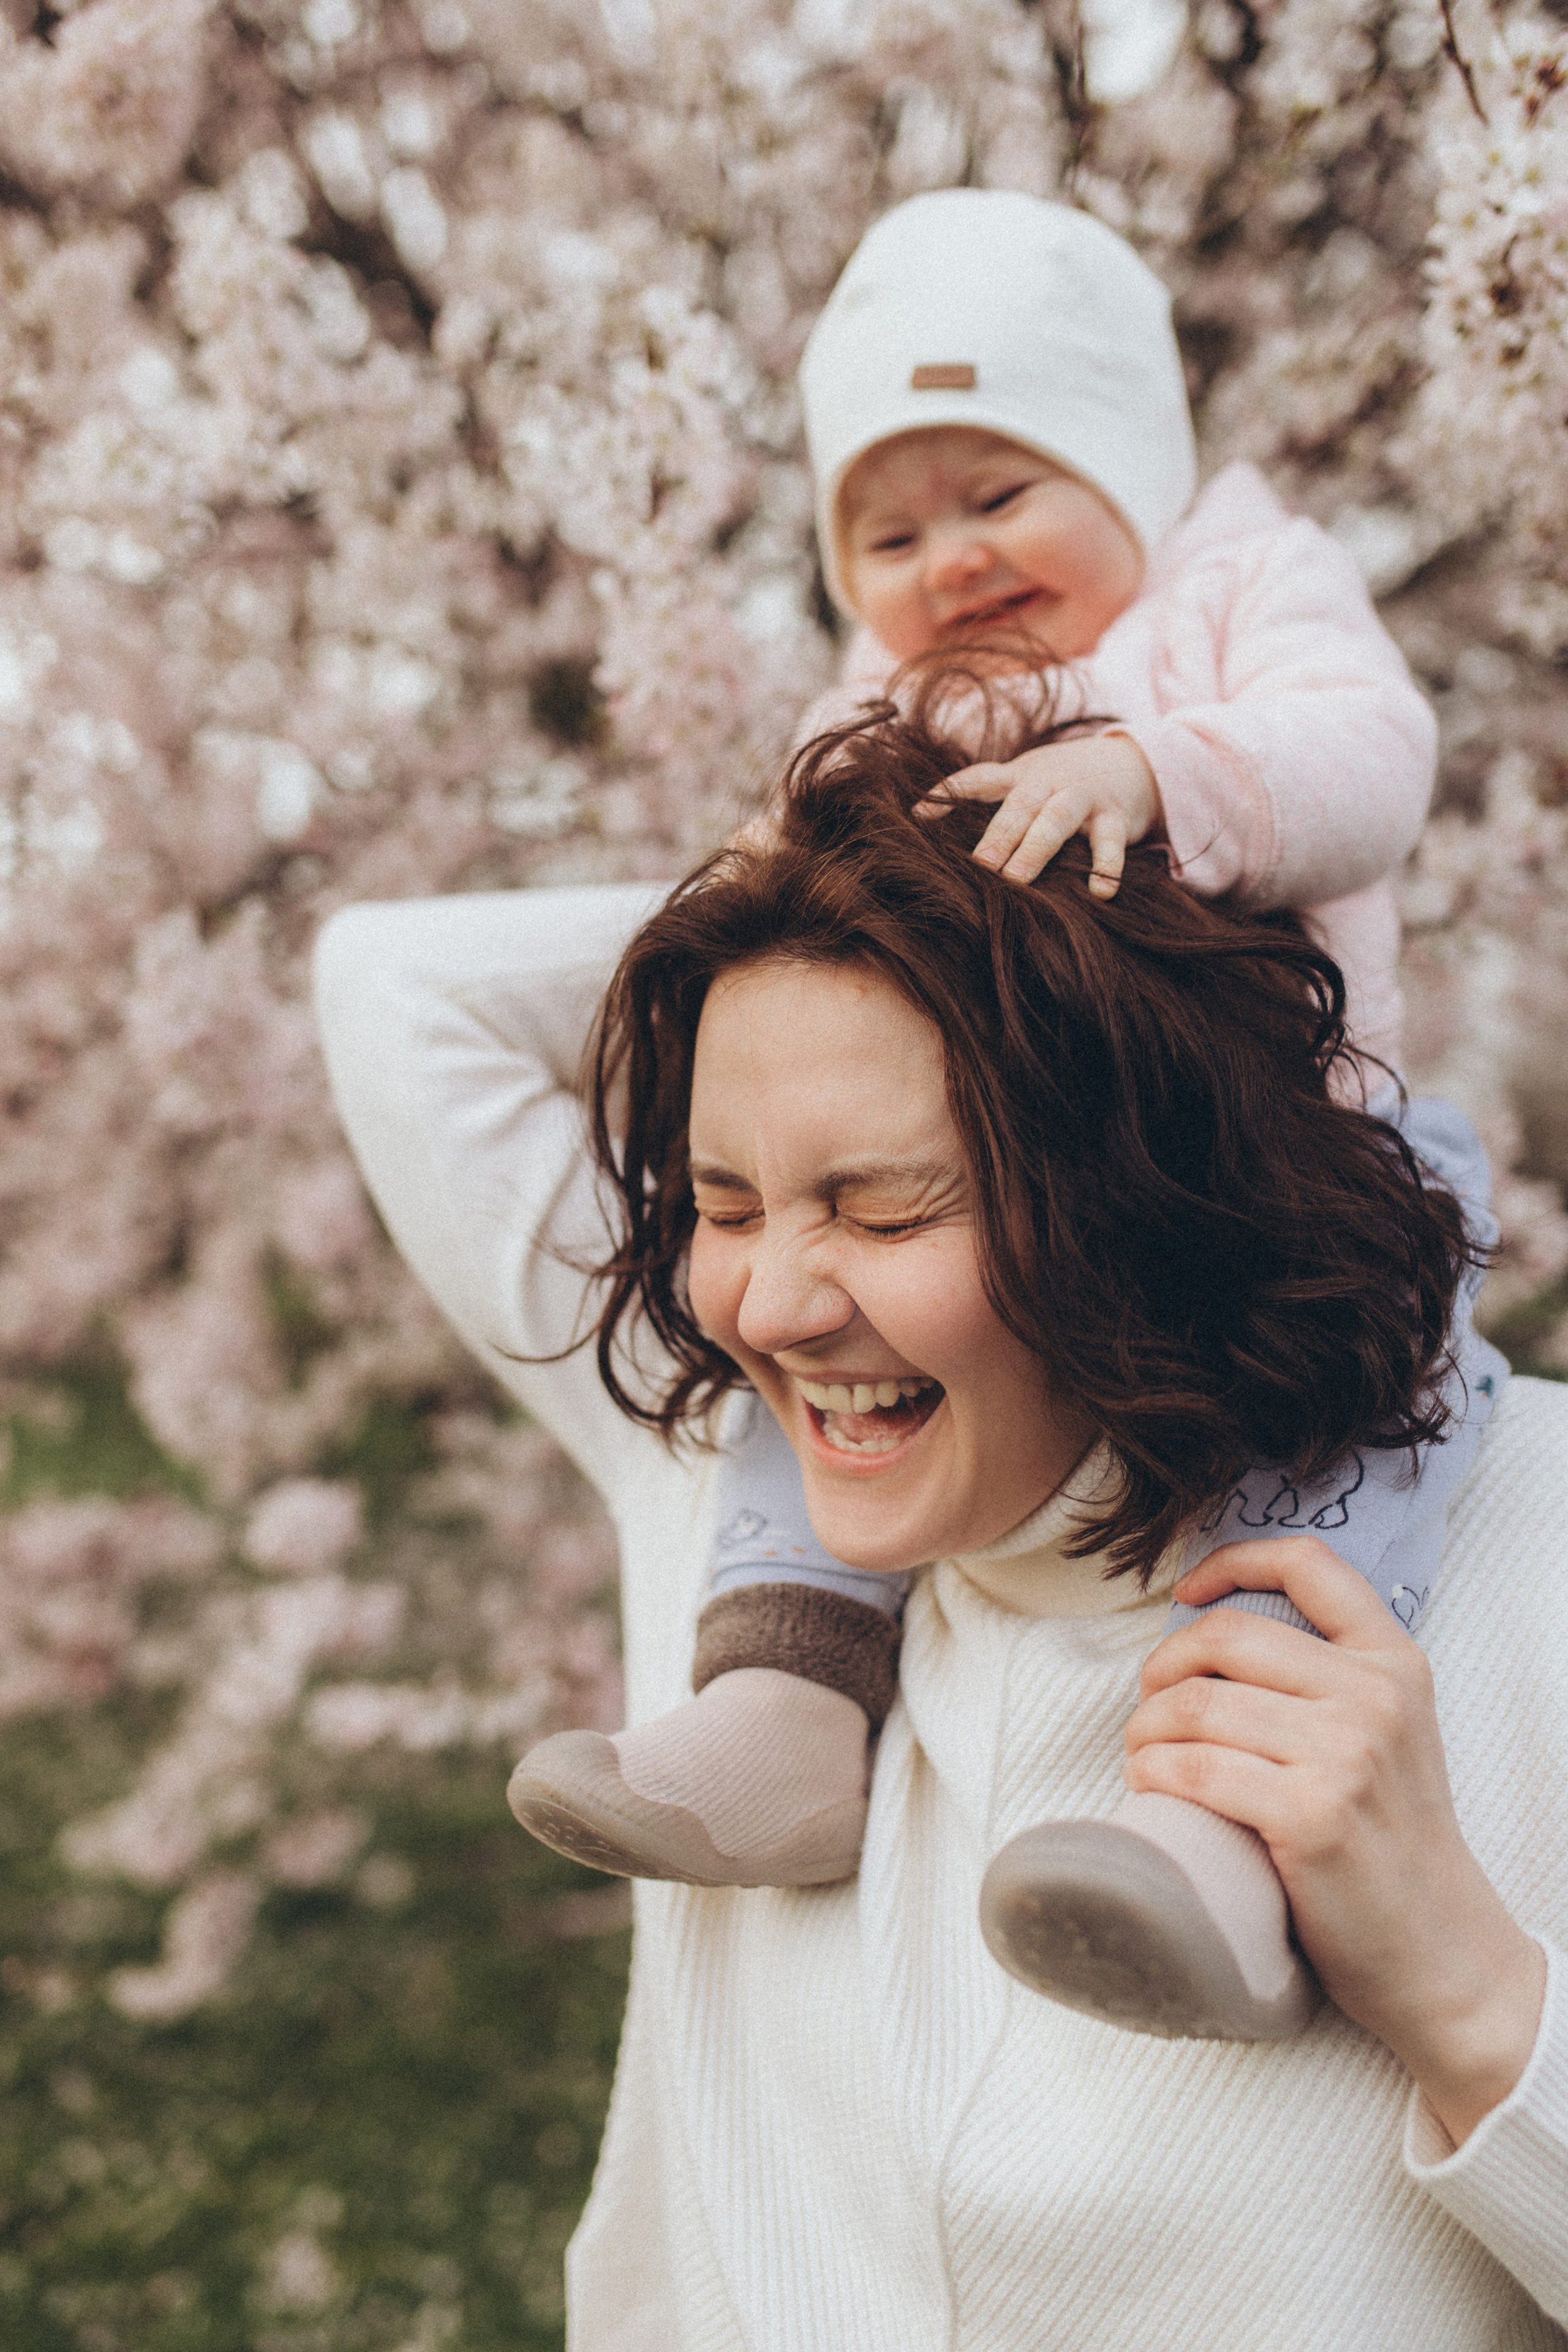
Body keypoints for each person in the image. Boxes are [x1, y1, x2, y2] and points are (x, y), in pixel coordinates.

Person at [313, 709, 1567, 2345]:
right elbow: (399, 991)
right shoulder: (731, 1494)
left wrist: (1468, 1992)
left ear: (1153, 1195)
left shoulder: (1528, 1540)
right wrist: (873, 874)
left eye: (886, 1206)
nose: (769, 1303)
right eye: (727, 1202)